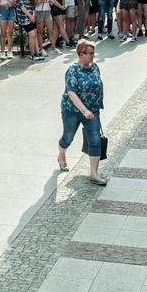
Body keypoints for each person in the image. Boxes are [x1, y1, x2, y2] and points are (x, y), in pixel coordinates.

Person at [57, 40, 106, 185]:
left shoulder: (95, 67)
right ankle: (61, 155)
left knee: (95, 140)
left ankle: (94, 174)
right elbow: (71, 93)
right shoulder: (72, 70)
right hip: (73, 110)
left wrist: (94, 107)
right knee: (68, 137)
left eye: (93, 53)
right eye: (90, 53)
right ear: (81, 54)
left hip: (93, 110)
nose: (93, 56)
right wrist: (84, 110)